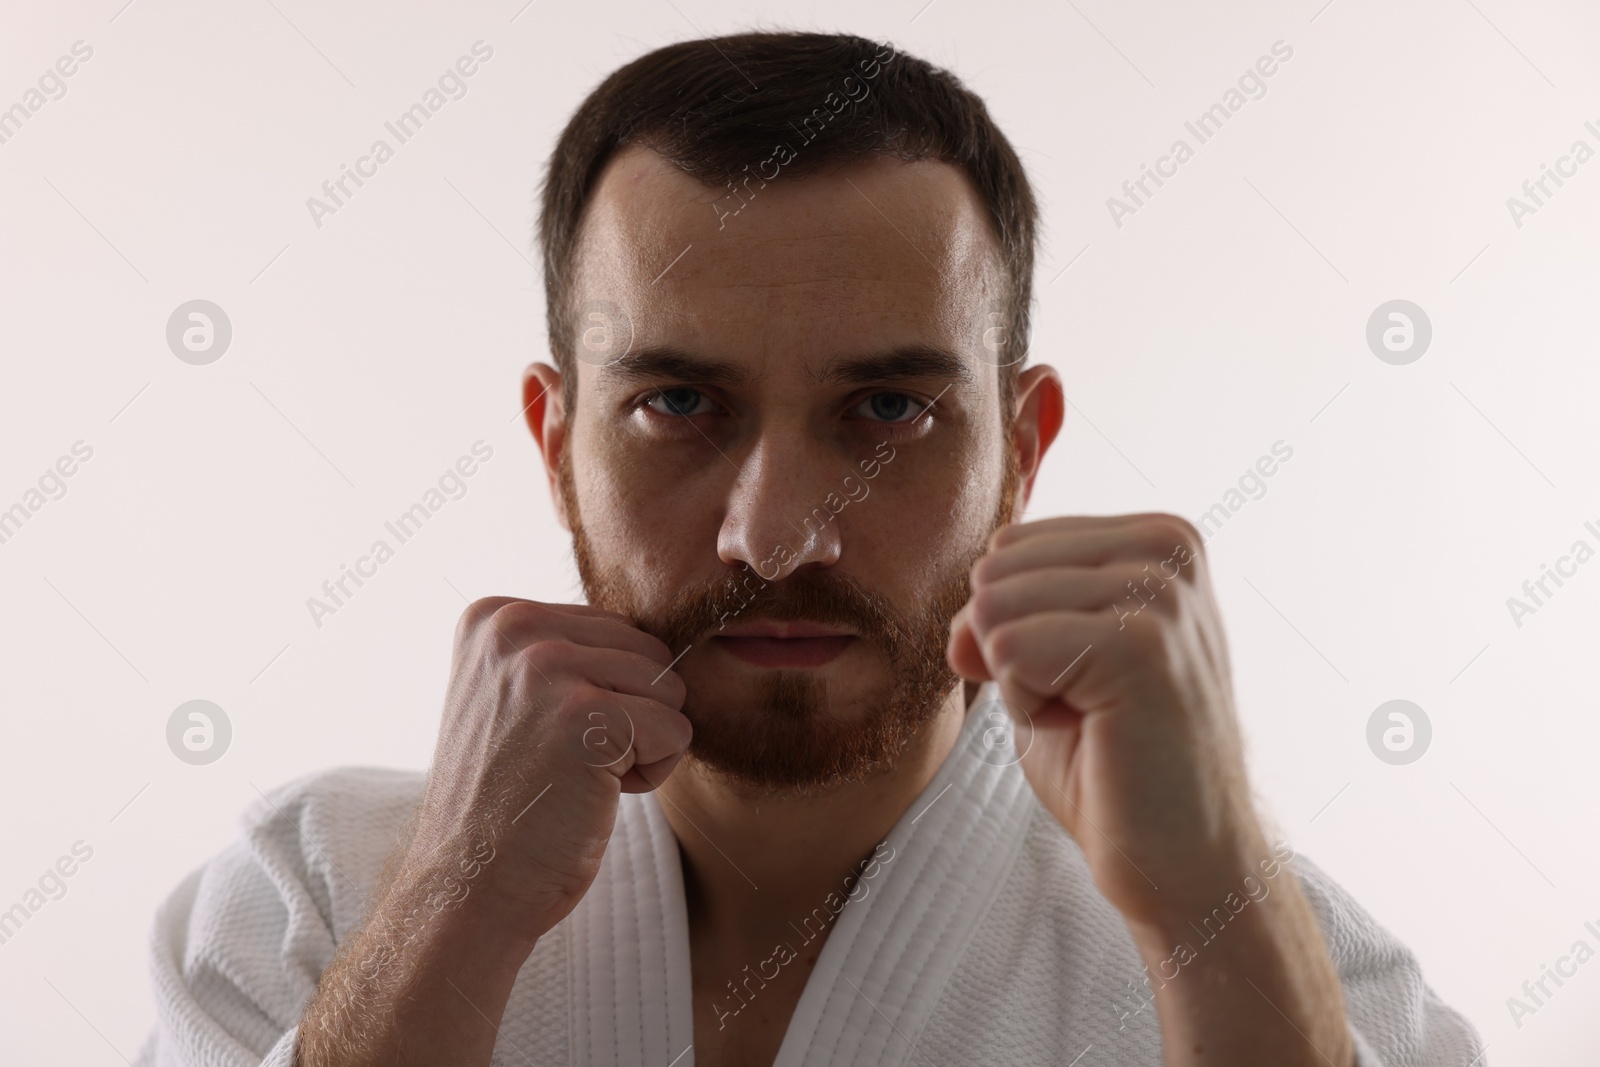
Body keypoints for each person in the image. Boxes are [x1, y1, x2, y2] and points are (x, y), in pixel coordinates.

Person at [135, 31, 1485, 1067]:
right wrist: (452, 915)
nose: (775, 536)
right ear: (557, 444)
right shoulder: (317, 899)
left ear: (1023, 451)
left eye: (887, 410)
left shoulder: (1273, 958)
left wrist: (1211, 900)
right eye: (678, 406)